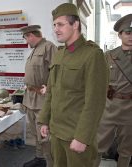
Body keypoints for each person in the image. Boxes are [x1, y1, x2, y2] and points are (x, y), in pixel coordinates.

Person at [38, 3, 109, 167]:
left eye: (60, 24)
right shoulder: (59, 54)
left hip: (76, 135)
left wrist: (82, 137)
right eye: (54, 25)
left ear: (75, 24)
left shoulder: (92, 55)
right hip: (57, 132)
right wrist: (44, 120)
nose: (56, 29)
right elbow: (51, 92)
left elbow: (95, 102)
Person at [94, 14, 132, 167]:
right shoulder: (107, 56)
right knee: (97, 146)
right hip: (109, 108)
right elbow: (96, 81)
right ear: (120, 34)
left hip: (130, 110)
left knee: (127, 150)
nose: (131, 36)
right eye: (128, 32)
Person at [20, 25, 57, 167]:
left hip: (42, 100)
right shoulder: (35, 50)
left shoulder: (48, 47)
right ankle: (40, 158)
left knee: (44, 134)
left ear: (31, 35)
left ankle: (50, 162)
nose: (26, 42)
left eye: (26, 38)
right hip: (30, 98)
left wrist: (50, 87)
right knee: (36, 133)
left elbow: (57, 71)